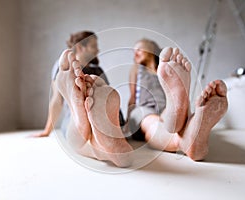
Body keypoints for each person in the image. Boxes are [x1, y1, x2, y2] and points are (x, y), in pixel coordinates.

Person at [54, 43, 228, 167]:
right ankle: (186, 135)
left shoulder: (164, 68)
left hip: (162, 107)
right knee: (150, 121)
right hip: (145, 108)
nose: (135, 52)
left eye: (140, 48)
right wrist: (128, 114)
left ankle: (181, 115)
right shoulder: (137, 69)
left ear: (152, 51)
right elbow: (132, 94)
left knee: (164, 120)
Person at [32, 31, 124, 137]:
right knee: (75, 125)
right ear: (80, 47)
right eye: (93, 46)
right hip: (74, 117)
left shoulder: (97, 70)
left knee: (104, 110)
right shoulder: (63, 67)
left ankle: (100, 130)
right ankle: (88, 126)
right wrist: (47, 130)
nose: (98, 50)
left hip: (102, 114)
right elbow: (57, 100)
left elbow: (110, 101)